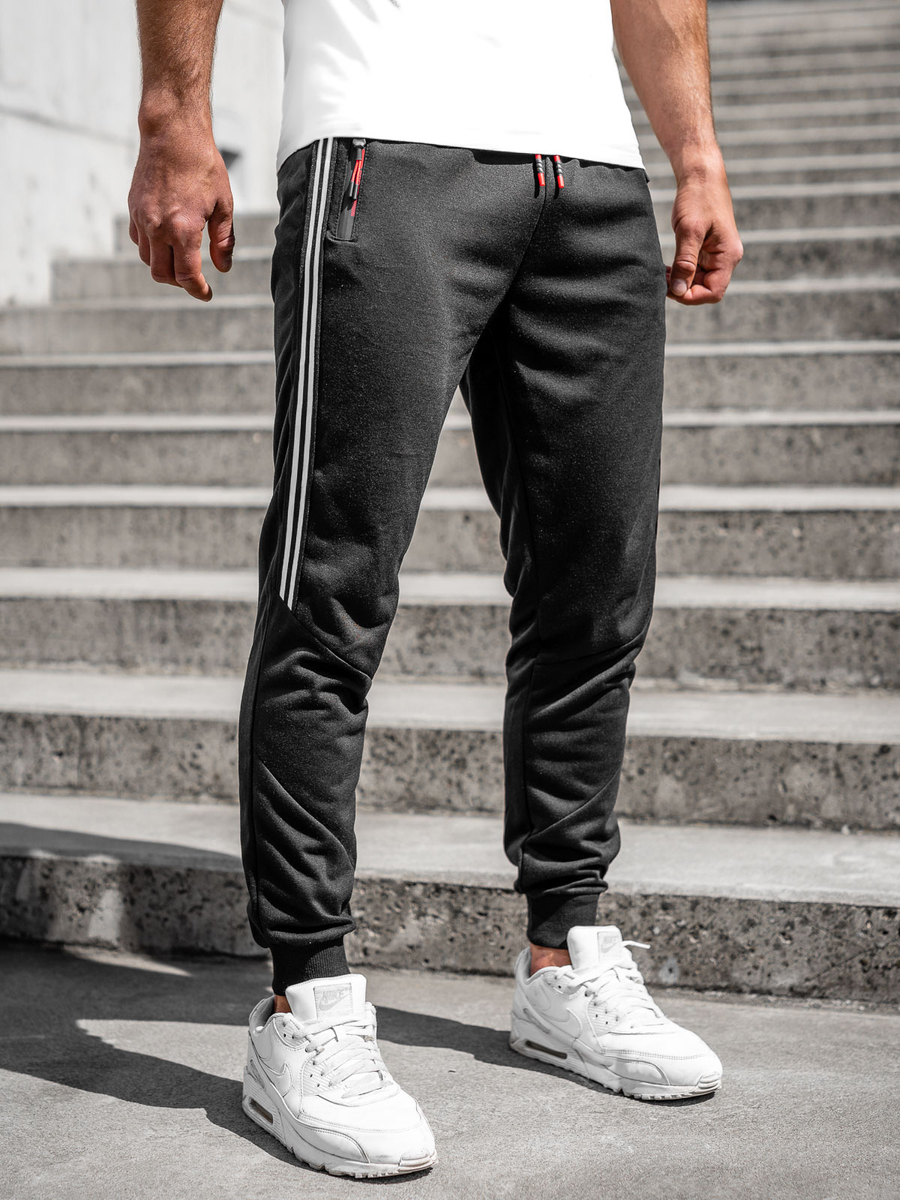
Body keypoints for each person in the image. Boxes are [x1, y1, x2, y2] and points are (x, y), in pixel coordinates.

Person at [128, 0, 743, 1179]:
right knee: (332, 589)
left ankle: (565, 952)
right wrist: (173, 114)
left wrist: (696, 150)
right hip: (383, 134)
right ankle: (305, 1000)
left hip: (593, 171)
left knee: (596, 591)